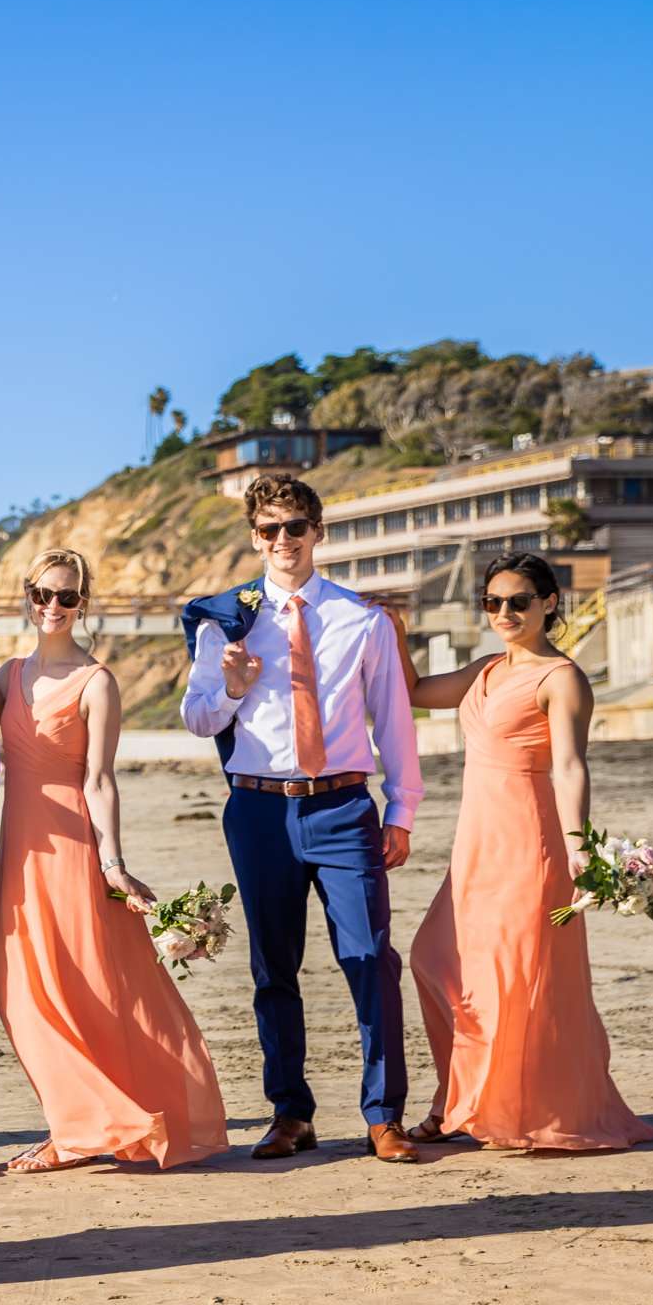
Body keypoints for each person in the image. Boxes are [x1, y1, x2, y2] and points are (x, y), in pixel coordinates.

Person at [180, 475, 423, 1164]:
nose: (282, 541)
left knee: (370, 958)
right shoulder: (224, 622)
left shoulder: (363, 619)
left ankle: (384, 1115)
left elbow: (395, 721)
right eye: (269, 530)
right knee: (273, 967)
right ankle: (290, 1113)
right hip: (257, 807)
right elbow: (198, 719)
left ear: (318, 532)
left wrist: (401, 809)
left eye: (295, 527)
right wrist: (231, 687)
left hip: (344, 805)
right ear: (254, 536)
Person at [402, 554, 653, 1151]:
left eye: (518, 601)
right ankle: (463, 1099)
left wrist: (577, 847)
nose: (505, 612)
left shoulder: (561, 677)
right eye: (492, 603)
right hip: (476, 844)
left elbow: (569, 765)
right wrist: (393, 631)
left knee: (514, 977)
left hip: (529, 841)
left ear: (549, 603)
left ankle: (493, 1108)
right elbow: (415, 693)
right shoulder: (485, 668)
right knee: (434, 960)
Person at [0, 550, 229, 1172]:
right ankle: (81, 1119)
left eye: (66, 597)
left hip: (72, 849)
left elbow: (99, 780)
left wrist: (113, 862)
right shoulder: (5, 676)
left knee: (82, 985)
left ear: (83, 603)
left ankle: (76, 1133)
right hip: (20, 852)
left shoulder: (97, 683)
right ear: (28, 595)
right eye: (42, 595)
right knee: (21, 989)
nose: (53, 607)